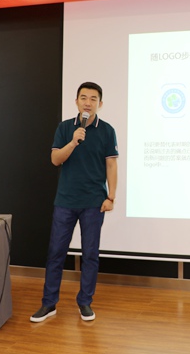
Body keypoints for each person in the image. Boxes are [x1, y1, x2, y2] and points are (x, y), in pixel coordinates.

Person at [30, 81, 118, 323]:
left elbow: (111, 165)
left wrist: (111, 196)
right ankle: (49, 303)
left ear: (100, 104)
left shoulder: (107, 130)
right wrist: (73, 141)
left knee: (90, 254)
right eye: (83, 98)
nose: (88, 102)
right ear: (76, 101)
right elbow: (55, 160)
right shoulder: (65, 128)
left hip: (94, 202)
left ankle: (85, 302)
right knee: (56, 253)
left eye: (93, 99)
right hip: (65, 201)